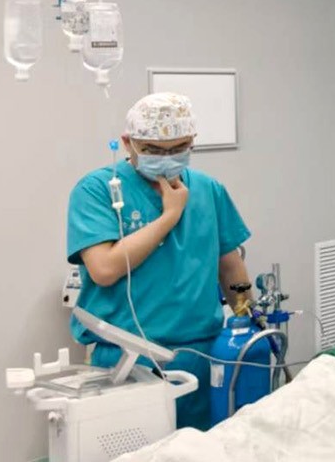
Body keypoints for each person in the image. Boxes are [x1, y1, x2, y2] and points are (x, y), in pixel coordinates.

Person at [67, 92, 251, 431]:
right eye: (153, 149)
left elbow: (230, 268)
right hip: (127, 360)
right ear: (128, 143)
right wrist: (169, 217)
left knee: (204, 447)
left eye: (178, 148)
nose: (166, 158)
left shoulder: (209, 189)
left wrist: (248, 325)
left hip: (203, 356)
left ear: (192, 141)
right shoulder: (97, 190)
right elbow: (104, 270)